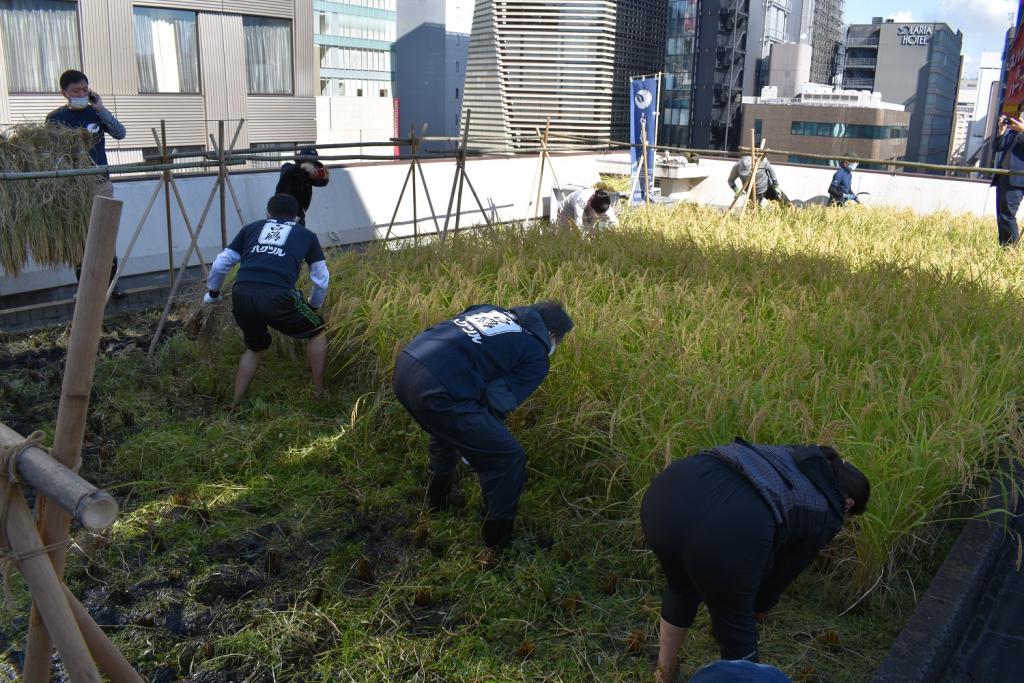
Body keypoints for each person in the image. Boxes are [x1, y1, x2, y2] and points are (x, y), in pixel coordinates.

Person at [640, 439, 870, 682]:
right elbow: (781, 574)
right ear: (848, 504)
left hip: (667, 495)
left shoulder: (798, 454)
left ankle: (664, 672)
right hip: (728, 525)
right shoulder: (829, 511)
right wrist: (753, 603)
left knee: (681, 585)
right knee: (737, 628)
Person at [392, 301, 574, 550]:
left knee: (448, 426)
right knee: (508, 459)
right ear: (553, 336)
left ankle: (438, 501)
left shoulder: (491, 311)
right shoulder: (536, 354)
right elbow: (496, 400)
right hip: (438, 388)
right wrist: (479, 448)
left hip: (407, 365)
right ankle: (498, 544)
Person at [203, 194, 330, 405]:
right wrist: (313, 306)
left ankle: (236, 402)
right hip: (279, 294)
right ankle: (318, 391)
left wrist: (213, 293)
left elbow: (220, 263)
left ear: (267, 214)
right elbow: (321, 279)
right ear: (297, 217)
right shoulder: (306, 235)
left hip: (242, 293)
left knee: (255, 347)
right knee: (318, 331)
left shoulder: (251, 229)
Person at [46, 69, 128, 298]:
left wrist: (101, 109)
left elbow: (121, 134)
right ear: (64, 93)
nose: (81, 93)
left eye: (85, 89)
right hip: (73, 186)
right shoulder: (55, 118)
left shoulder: (96, 114)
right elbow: (50, 153)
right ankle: (84, 287)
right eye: (76, 91)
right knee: (79, 234)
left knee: (106, 231)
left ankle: (111, 285)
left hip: (100, 181)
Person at [991, 113, 1024, 246]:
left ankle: (1011, 249)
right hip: (1005, 178)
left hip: (1018, 180)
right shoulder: (1012, 134)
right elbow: (998, 147)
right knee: (1002, 215)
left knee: (1007, 215)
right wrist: (1001, 131)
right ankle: (1005, 246)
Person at [275, 147, 330, 223]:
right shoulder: (288, 167)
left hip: (298, 212)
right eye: (309, 161)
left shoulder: (307, 175)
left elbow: (321, 183)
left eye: (313, 162)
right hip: (282, 209)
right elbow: (287, 171)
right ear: (302, 160)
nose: (312, 164)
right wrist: (302, 166)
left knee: (298, 232)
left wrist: (325, 177)